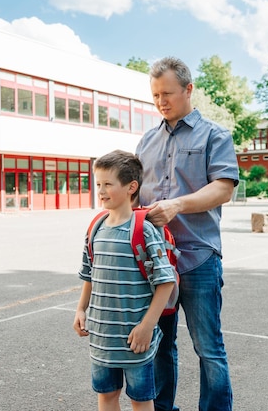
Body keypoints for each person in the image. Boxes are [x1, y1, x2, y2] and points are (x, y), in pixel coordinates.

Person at [136, 57, 239, 411]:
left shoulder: (216, 135)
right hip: (156, 263)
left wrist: (177, 205)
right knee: (160, 345)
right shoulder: (146, 142)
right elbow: (135, 193)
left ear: (189, 89)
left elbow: (224, 188)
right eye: (155, 95)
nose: (161, 101)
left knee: (209, 348)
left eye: (167, 93)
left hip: (198, 258)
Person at [73, 150, 177, 411]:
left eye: (108, 184)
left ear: (131, 187)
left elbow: (166, 282)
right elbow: (89, 274)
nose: (101, 190)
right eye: (98, 184)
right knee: (107, 396)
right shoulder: (96, 227)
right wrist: (80, 309)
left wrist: (146, 327)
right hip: (101, 337)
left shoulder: (144, 231)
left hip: (135, 341)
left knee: (141, 401)